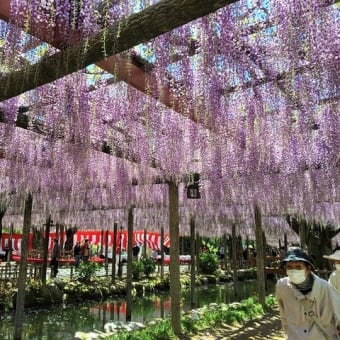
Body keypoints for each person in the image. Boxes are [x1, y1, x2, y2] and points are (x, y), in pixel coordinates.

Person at [276, 247, 340, 339]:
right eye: (289, 267)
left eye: (298, 267)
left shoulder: (324, 288)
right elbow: (284, 316)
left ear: (308, 268)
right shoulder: (282, 286)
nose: (293, 271)